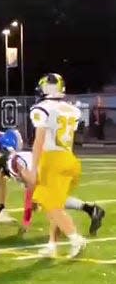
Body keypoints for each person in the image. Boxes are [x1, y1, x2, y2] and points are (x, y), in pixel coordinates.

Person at [27, 74, 87, 257]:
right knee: (55, 204)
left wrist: (33, 168)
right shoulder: (72, 110)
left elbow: (39, 140)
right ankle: (52, 245)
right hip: (70, 158)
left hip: (52, 160)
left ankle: (76, 238)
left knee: (51, 204)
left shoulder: (41, 108)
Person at [0, 150, 105, 236]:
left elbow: (31, 186)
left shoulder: (15, 163)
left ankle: (70, 233)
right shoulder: (17, 161)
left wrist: (26, 220)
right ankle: (92, 210)